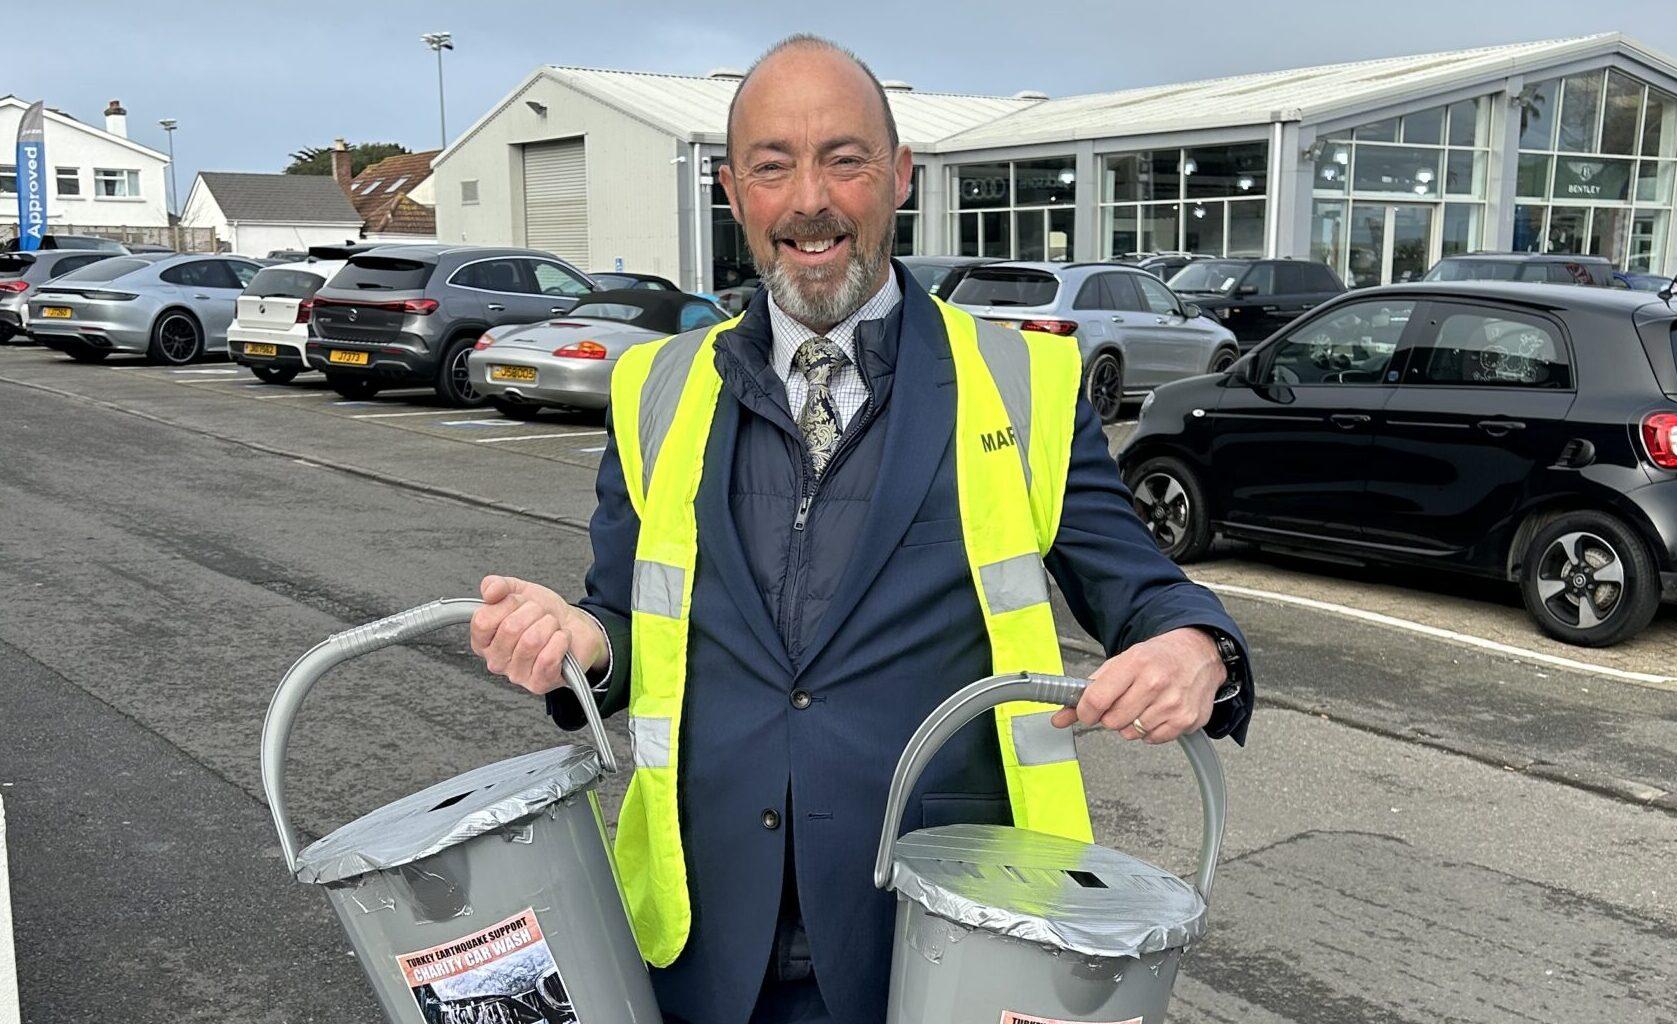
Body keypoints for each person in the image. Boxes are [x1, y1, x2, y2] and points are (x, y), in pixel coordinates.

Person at [470, 34, 1253, 1024]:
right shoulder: (654, 389)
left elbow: (1140, 585)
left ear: (898, 176)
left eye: (843, 158)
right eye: (772, 164)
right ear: (730, 189)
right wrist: (576, 645)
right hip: (704, 952)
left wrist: (1194, 645)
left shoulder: (1023, 383)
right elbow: (622, 619)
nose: (810, 198)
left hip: (937, 947)